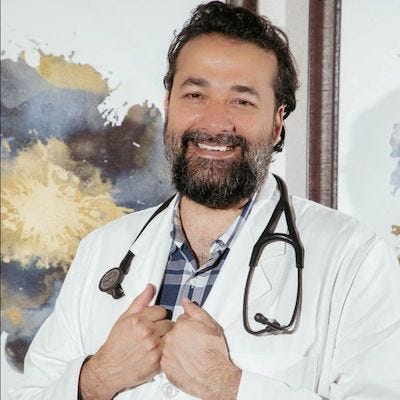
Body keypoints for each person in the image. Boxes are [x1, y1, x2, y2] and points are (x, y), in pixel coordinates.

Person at [11, 1, 400, 399]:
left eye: (242, 100)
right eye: (195, 94)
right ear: (168, 106)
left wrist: (229, 386)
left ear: (277, 122)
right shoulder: (102, 249)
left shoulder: (354, 257)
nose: (215, 123)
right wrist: (97, 379)